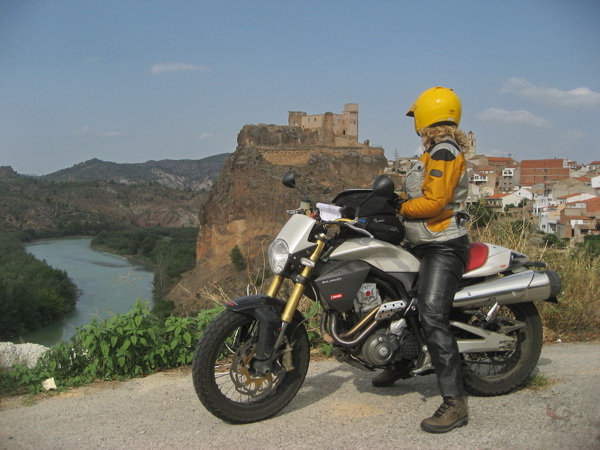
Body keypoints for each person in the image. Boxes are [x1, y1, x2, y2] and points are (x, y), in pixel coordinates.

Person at [371, 86, 470, 433]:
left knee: (431, 312)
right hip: (422, 243)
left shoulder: (444, 152)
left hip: (443, 247)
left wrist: (400, 207)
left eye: (417, 118)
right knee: (393, 298)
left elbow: (433, 203)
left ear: (427, 116)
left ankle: (455, 402)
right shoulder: (432, 153)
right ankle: (402, 361)